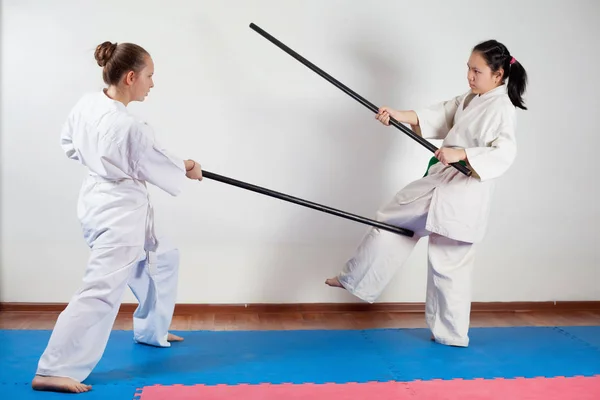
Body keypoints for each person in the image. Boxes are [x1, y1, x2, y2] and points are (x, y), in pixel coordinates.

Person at [326, 39, 528, 348]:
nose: (470, 76)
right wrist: (397, 116)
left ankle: (451, 334)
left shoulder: (501, 106)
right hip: (441, 182)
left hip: (464, 192)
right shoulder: (471, 99)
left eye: (477, 71)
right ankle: (354, 278)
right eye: (468, 69)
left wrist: (461, 153)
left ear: (498, 75)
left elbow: (504, 152)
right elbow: (441, 113)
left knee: (449, 265)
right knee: (393, 221)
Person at [31, 41, 204, 393]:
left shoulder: (88, 104)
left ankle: (151, 329)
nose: (152, 84)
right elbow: (156, 162)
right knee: (101, 290)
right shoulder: (129, 127)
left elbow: (69, 144)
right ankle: (53, 368)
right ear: (130, 77)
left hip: (99, 200)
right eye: (150, 76)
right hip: (118, 214)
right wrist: (188, 166)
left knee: (164, 257)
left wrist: (106, 163)